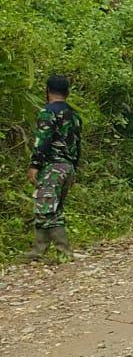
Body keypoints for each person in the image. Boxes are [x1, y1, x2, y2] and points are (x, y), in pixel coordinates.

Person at [25, 74, 81, 261]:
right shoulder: (74, 115)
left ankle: (64, 252)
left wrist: (34, 165)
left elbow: (43, 140)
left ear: (48, 90)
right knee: (50, 207)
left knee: (47, 210)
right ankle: (38, 251)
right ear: (68, 92)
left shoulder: (48, 112)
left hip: (53, 167)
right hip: (68, 167)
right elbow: (77, 144)